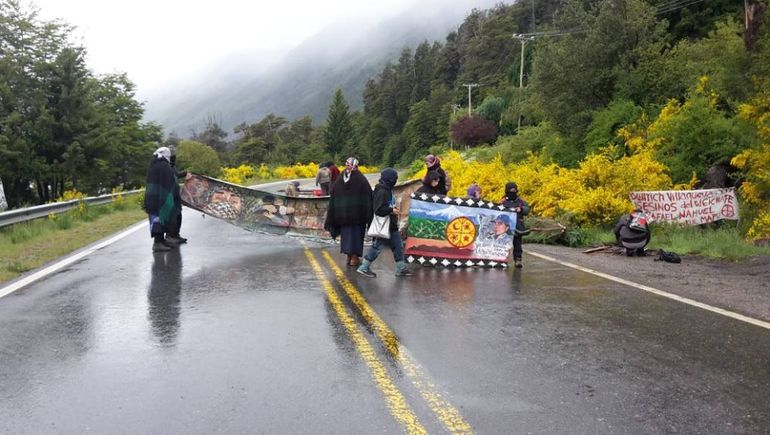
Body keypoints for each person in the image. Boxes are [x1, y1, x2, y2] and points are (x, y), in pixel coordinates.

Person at [357, 168, 413, 278]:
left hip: (390, 225)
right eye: (394, 178)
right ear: (390, 180)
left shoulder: (386, 189)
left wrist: (392, 209)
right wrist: (391, 210)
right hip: (385, 225)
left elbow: (386, 205)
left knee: (398, 246)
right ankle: (364, 267)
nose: (395, 180)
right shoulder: (382, 191)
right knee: (377, 247)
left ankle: (400, 268)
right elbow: (378, 209)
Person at [325, 157, 372, 267]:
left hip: (343, 216)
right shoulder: (361, 179)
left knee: (346, 236)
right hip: (357, 216)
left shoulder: (340, 179)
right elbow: (368, 196)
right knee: (356, 236)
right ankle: (354, 258)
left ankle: (349, 257)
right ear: (356, 166)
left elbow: (334, 195)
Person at [144, 147, 178, 252]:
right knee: (159, 218)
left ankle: (161, 241)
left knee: (156, 219)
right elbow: (169, 180)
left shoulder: (153, 164)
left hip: (152, 197)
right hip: (160, 197)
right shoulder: (163, 165)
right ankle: (158, 243)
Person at [501, 182, 530, 268]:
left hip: (518, 226)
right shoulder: (503, 201)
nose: (513, 192)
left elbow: (527, 210)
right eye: (511, 190)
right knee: (504, 244)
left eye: (514, 190)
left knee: (517, 244)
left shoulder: (520, 201)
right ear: (507, 191)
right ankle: (503, 259)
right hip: (506, 227)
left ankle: (518, 259)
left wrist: (520, 209)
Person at [166, 154, 188, 245]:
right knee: (172, 216)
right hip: (169, 195)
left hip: (175, 194)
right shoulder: (165, 167)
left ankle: (176, 234)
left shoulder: (173, 167)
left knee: (178, 215)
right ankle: (170, 235)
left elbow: (176, 175)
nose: (173, 161)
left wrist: (185, 173)